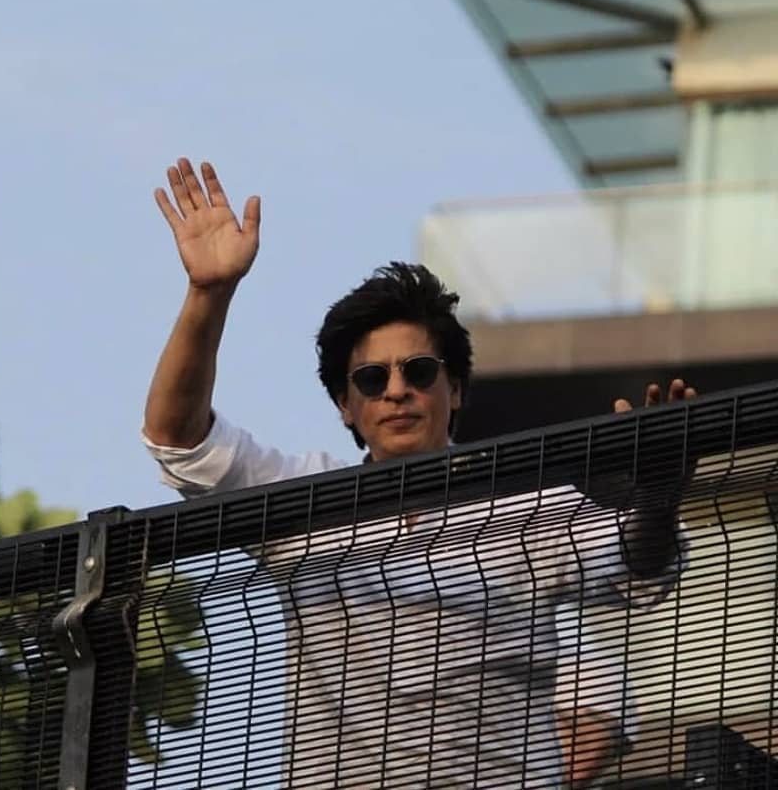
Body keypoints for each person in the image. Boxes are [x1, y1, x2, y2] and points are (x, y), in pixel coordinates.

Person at [142, 159, 693, 788]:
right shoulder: (302, 502)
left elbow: (640, 563)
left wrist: (655, 497)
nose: (397, 391)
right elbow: (177, 440)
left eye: (420, 371)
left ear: (454, 389)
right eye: (372, 379)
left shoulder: (530, 506)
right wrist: (208, 294)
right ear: (346, 405)